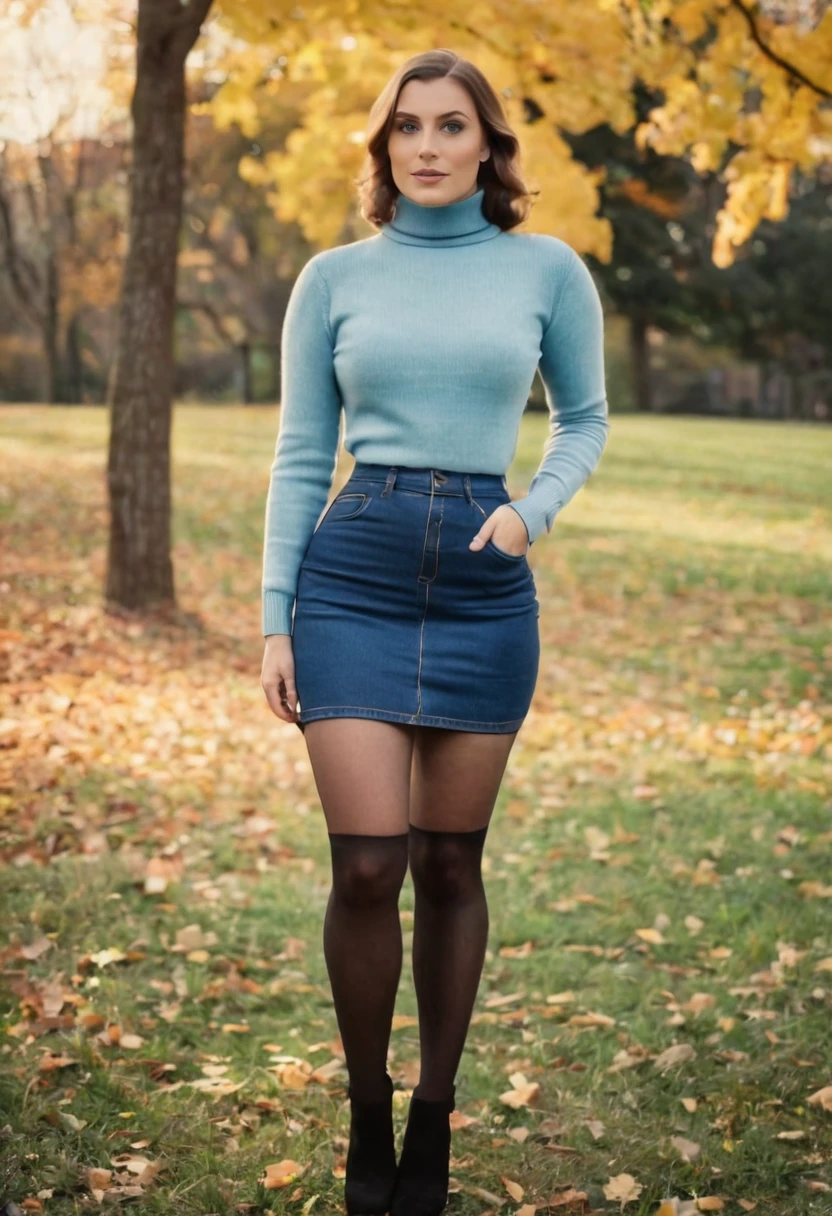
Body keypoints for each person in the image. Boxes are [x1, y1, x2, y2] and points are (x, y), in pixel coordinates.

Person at [260, 47, 610, 1216]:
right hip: (352, 570)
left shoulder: (545, 269)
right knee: (368, 864)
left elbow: (584, 418)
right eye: (404, 126)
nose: (424, 146)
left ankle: (433, 1116)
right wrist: (274, 620)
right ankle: (365, 1110)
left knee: (451, 860)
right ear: (383, 147)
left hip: (481, 575)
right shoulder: (333, 278)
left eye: (450, 126)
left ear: (487, 146)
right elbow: (302, 453)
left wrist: (529, 514)